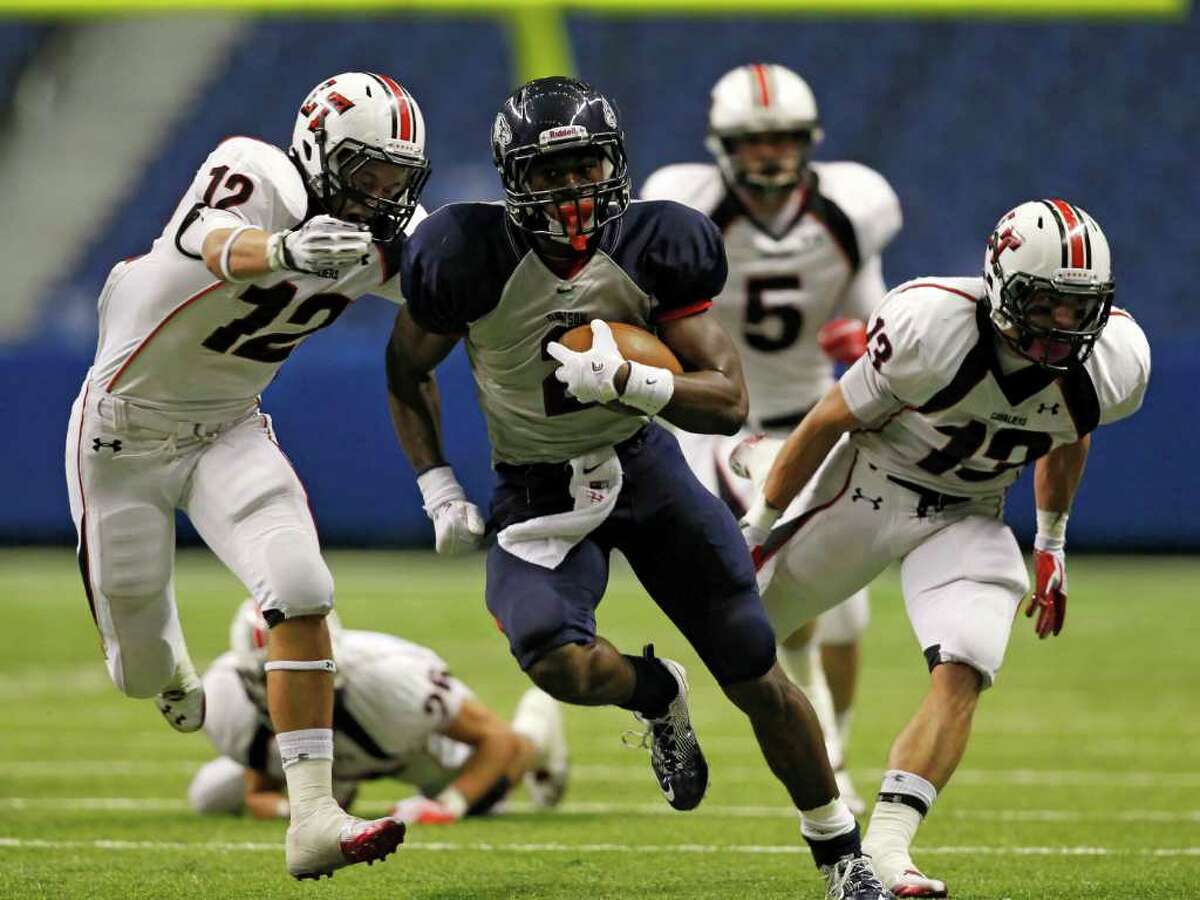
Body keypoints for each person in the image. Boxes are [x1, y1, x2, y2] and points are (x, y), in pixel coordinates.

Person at [384, 76, 890, 899]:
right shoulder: (463, 254)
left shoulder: (658, 241)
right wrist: (438, 483)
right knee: (555, 662)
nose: (570, 189)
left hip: (646, 470)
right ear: (513, 179)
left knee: (757, 670)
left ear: (614, 163)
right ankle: (658, 694)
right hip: (537, 486)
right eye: (547, 174)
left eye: (584, 166)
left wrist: (628, 378)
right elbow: (406, 369)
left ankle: (842, 857)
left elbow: (727, 400)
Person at [65, 72, 431, 879]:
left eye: (397, 179)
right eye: (368, 171)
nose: (382, 193)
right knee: (137, 670)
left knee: (300, 587)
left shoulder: (378, 233)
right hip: (120, 441)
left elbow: (458, 283)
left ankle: (311, 817)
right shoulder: (258, 171)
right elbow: (207, 239)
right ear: (319, 150)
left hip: (228, 429)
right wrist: (285, 249)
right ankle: (166, 667)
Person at [736, 199, 1150, 896]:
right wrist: (759, 526)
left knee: (968, 660)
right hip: (871, 488)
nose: (1061, 327)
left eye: (1077, 310)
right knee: (737, 643)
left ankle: (889, 855)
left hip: (969, 512)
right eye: (1044, 304)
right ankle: (668, 691)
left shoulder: (1112, 364)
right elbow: (831, 416)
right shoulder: (933, 327)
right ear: (1001, 286)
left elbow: (1069, 429)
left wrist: (1051, 541)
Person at [641, 63, 903, 812]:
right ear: (723, 145)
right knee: (777, 575)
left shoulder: (851, 208)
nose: (770, 154)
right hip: (723, 417)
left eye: (784, 138)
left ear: (809, 140)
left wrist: (868, 337)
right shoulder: (686, 207)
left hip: (813, 412)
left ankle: (839, 744)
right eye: (753, 141)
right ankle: (824, 756)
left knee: (848, 610)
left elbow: (868, 299)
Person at [188, 601, 568, 825]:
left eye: (307, 675)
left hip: (403, 751)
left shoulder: (393, 680)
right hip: (326, 756)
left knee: (486, 797)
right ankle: (338, 783)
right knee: (209, 796)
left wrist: (447, 807)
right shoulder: (225, 697)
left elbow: (494, 739)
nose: (294, 692)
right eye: (277, 681)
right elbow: (259, 788)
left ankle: (537, 731)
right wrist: (300, 808)